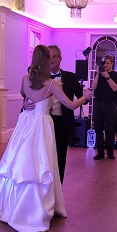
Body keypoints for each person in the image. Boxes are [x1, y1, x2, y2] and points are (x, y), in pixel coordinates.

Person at [0, 45, 92, 232]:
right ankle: (37, 207)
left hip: (26, 123)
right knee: (43, 163)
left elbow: (24, 95)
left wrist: (27, 102)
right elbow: (71, 105)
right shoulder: (52, 84)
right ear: (46, 61)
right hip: (42, 125)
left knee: (22, 161)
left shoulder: (25, 79)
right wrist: (85, 96)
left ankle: (13, 203)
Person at [47, 45, 84, 183]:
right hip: (44, 121)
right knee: (43, 156)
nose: (51, 59)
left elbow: (81, 97)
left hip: (62, 123)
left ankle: (58, 188)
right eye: (48, 56)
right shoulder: (40, 77)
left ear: (60, 58)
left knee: (60, 156)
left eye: (54, 56)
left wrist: (86, 95)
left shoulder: (70, 77)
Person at [92, 55, 117, 160]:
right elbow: (93, 87)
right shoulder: (99, 74)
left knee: (110, 129)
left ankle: (110, 152)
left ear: (112, 63)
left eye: (108, 63)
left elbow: (115, 88)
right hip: (98, 103)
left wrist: (107, 76)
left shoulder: (116, 75)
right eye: (104, 63)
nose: (106, 65)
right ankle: (100, 153)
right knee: (98, 128)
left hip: (110, 104)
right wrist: (98, 74)